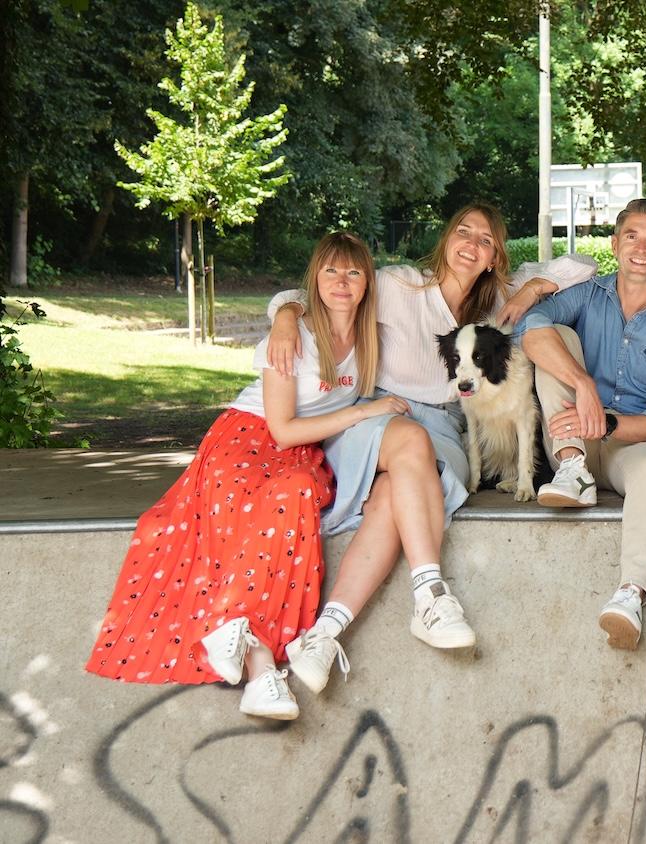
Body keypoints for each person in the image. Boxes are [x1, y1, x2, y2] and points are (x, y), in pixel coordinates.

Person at [262, 204, 596, 694]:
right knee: (408, 443)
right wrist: (287, 317)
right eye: (464, 232)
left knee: (392, 497)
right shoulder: (400, 284)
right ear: (445, 240)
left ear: (494, 257)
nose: (472, 244)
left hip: (444, 425)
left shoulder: (496, 298)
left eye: (486, 240)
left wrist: (530, 290)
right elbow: (318, 290)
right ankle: (431, 593)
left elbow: (583, 265)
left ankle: (324, 635)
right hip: (378, 414)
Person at [86, 232, 392, 720]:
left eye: (353, 272)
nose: (341, 281)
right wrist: (363, 410)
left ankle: (242, 644)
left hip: (303, 453)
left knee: (296, 495)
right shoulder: (293, 336)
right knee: (251, 505)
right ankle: (259, 666)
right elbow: (282, 430)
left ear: (367, 282)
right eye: (331, 270)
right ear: (315, 278)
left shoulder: (369, 340)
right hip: (248, 437)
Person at [515, 198, 646, 650]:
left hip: (628, 446)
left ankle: (630, 595)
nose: (641, 248)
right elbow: (529, 326)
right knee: (554, 333)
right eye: (632, 236)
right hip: (571, 434)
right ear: (615, 244)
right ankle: (572, 470)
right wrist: (583, 384)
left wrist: (608, 423)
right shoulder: (588, 295)